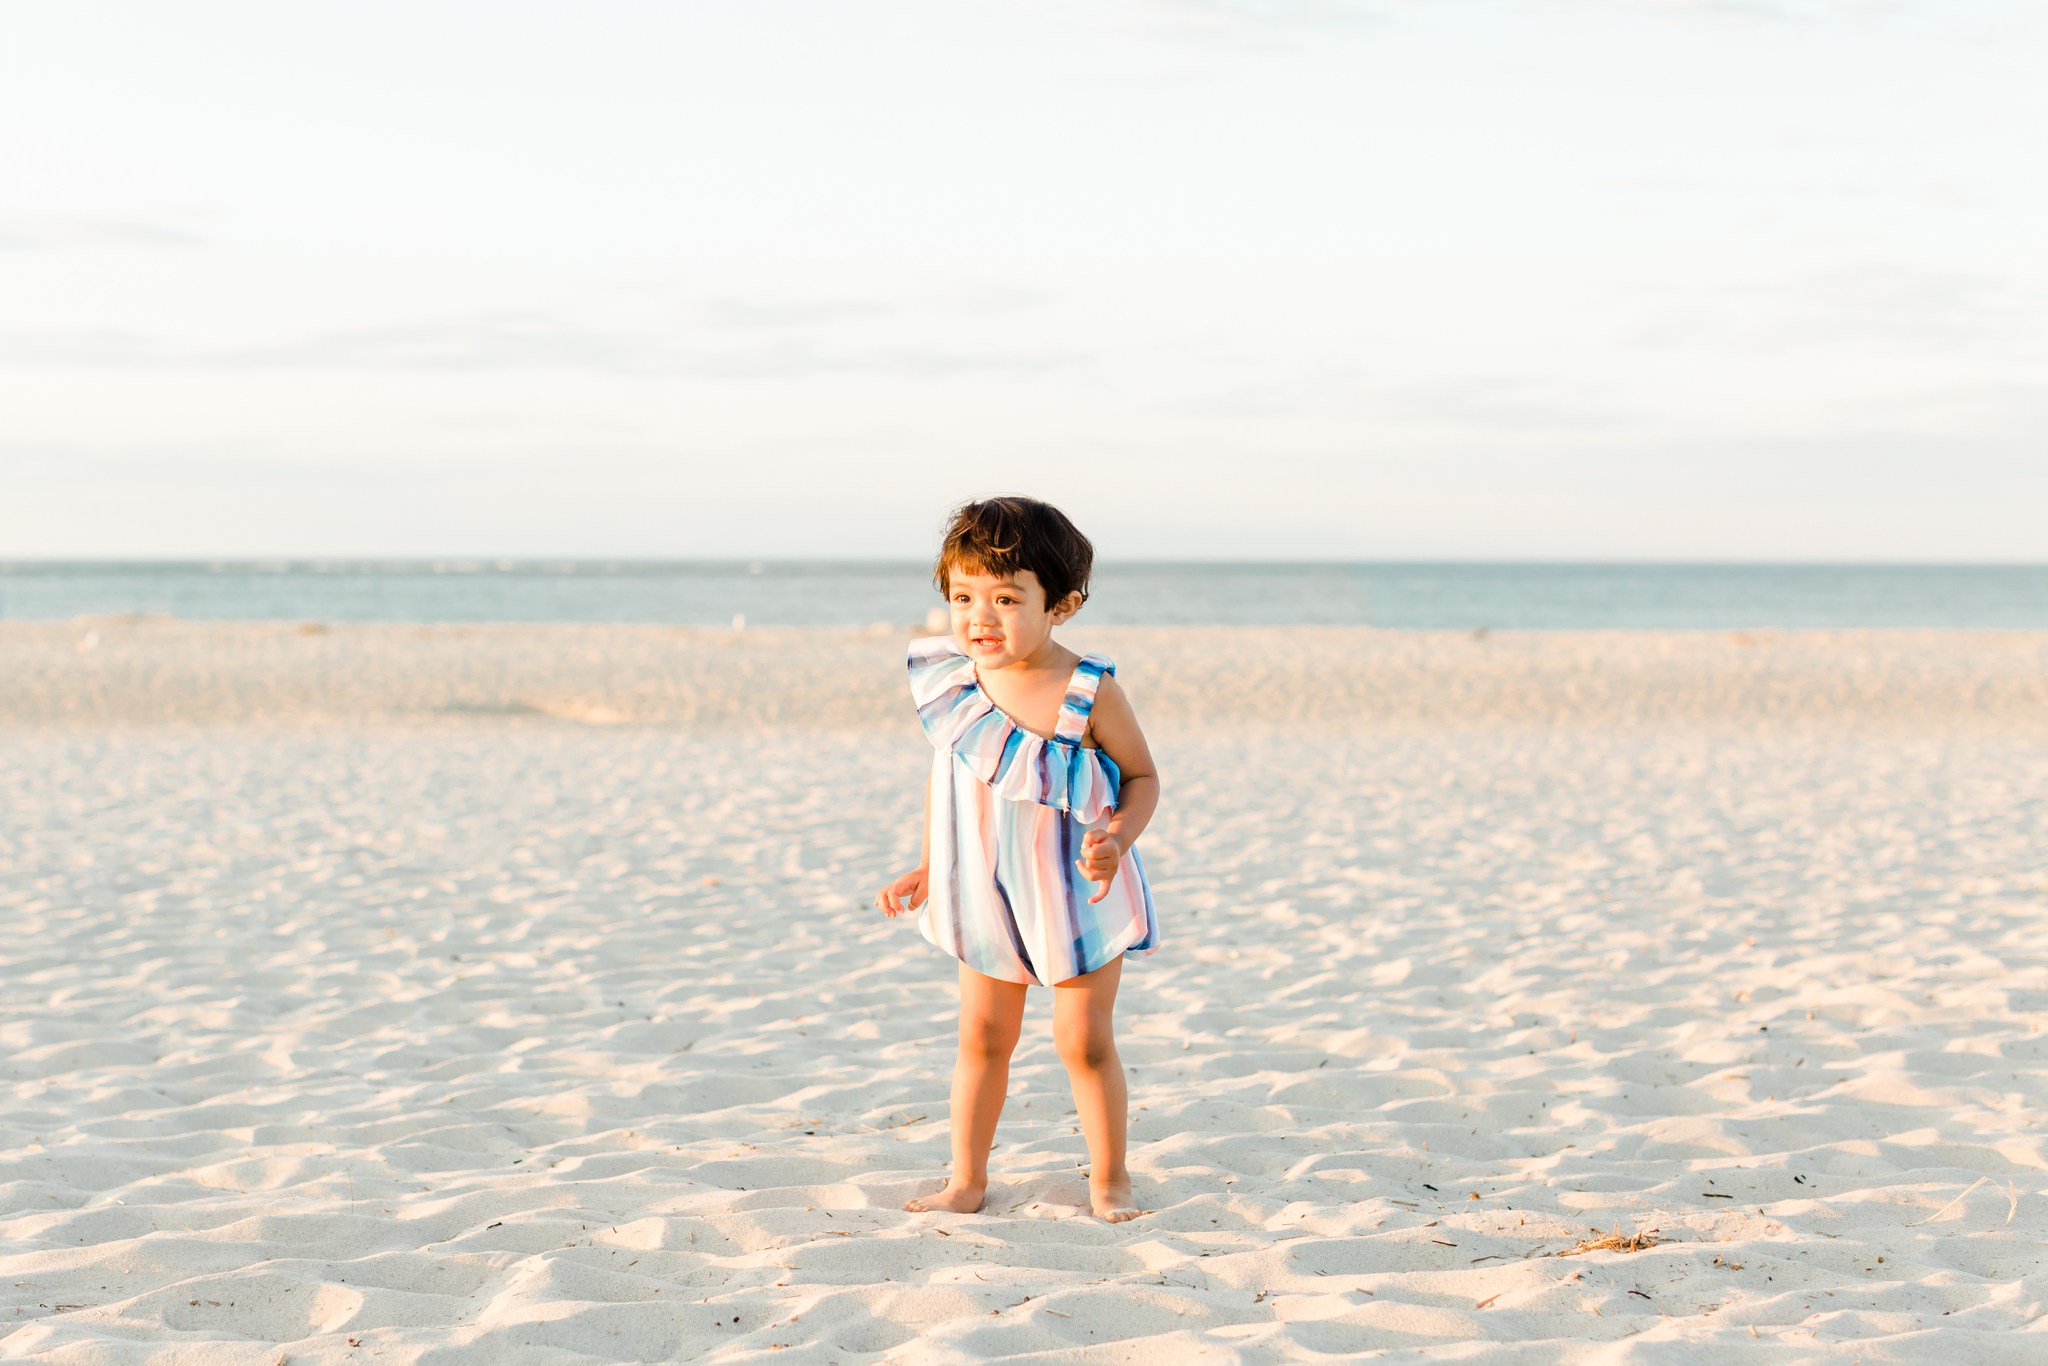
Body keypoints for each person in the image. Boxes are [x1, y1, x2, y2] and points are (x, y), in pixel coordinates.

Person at [875, 495, 1161, 1223]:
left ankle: (1110, 1178)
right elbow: (950, 783)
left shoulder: (1087, 690)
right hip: (981, 889)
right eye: (963, 596)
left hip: (1075, 892)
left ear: (1060, 605)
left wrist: (1119, 838)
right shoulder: (955, 684)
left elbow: (1142, 777)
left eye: (1006, 598)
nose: (980, 617)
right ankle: (966, 1180)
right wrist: (926, 864)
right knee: (982, 1036)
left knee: (1084, 1041)